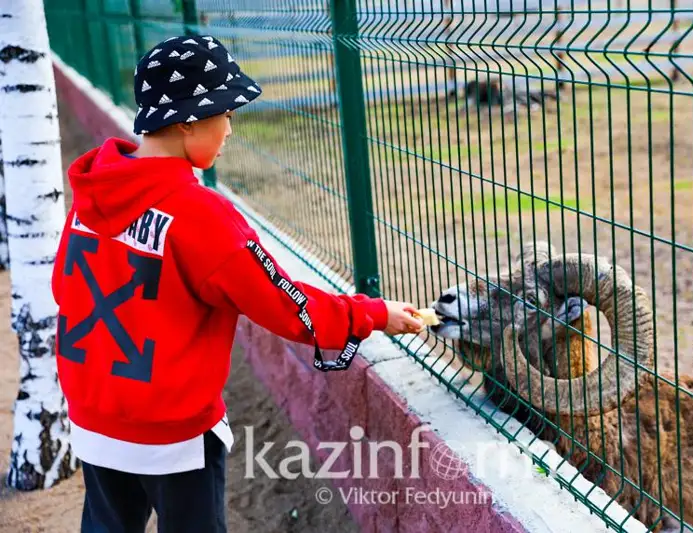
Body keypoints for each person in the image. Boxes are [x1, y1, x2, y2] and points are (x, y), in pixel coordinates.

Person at [52, 35, 425, 533]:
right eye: (226, 112)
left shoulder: (94, 190)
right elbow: (288, 306)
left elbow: (66, 290)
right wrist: (373, 314)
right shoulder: (199, 214)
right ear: (188, 119)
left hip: (95, 419)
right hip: (172, 437)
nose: (230, 128)